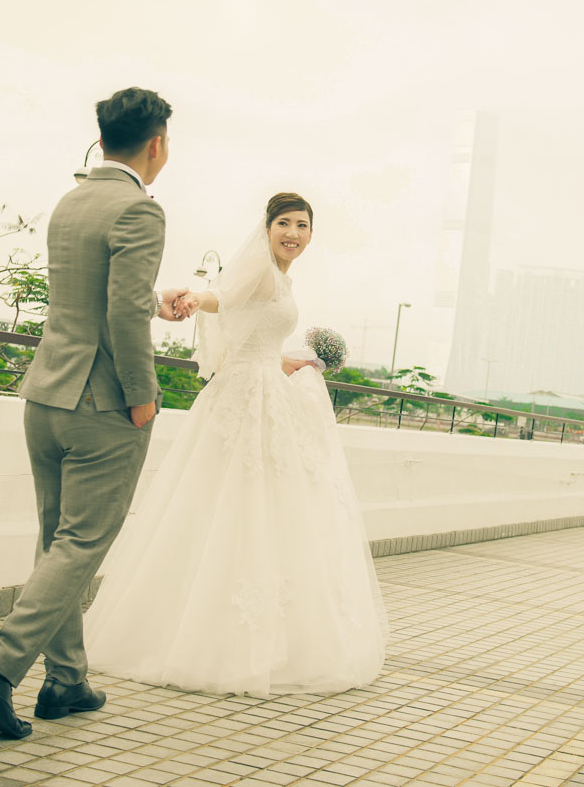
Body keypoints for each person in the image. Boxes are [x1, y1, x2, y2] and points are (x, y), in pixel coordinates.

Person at [0, 87, 188, 738]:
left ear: (103, 138)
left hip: (46, 394)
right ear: (157, 143)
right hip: (101, 402)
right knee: (82, 542)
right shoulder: (141, 210)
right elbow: (119, 313)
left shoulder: (72, 200)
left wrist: (154, 300)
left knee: (58, 540)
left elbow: (95, 295)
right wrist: (143, 395)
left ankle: (66, 679)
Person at [81, 192, 388, 696]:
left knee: (257, 508)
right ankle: (213, 638)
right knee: (233, 504)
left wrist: (286, 361)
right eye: (284, 223)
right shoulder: (261, 267)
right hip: (246, 400)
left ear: (311, 234)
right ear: (267, 228)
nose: (293, 233)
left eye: (302, 225)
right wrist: (191, 300)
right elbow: (222, 297)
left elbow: (252, 336)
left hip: (265, 388)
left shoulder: (282, 278)